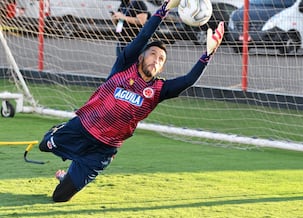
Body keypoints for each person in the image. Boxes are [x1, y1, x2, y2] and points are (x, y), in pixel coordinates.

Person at [39, 0, 224, 203]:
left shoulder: (158, 90)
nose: (156, 60)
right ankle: (61, 137)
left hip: (104, 149)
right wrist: (164, 9)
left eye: (161, 59)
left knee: (59, 198)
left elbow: (188, 80)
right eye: (153, 54)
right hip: (82, 128)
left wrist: (208, 54)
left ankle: (69, 174)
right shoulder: (124, 65)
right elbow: (144, 35)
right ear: (141, 57)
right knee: (43, 146)